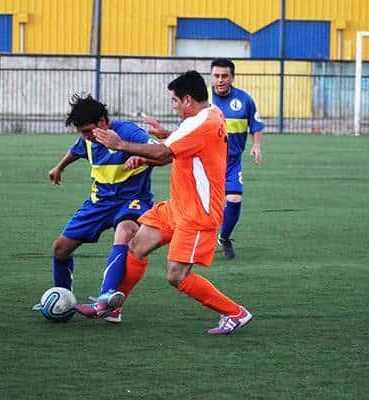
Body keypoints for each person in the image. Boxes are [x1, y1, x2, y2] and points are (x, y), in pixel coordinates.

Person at [87, 70, 252, 335]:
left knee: (176, 276)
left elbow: (164, 152)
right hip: (178, 206)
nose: (173, 105)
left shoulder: (200, 124)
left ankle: (235, 312)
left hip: (198, 212)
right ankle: (114, 308)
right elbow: (171, 153)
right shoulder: (210, 114)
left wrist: (121, 145)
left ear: (187, 100)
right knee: (137, 245)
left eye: (174, 100)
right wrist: (154, 148)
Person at [33, 93, 154, 323]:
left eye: (88, 131)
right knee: (60, 249)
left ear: (102, 122)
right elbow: (76, 150)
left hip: (133, 199)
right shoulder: (88, 139)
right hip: (99, 203)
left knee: (125, 230)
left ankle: (106, 297)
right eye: (82, 132)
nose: (86, 137)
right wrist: (59, 167)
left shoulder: (129, 132)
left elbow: (162, 152)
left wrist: (142, 158)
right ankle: (62, 297)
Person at [144, 58, 265, 259]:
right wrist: (166, 134)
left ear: (232, 77)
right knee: (204, 205)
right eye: (216, 75)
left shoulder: (244, 99)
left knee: (234, 199)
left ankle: (224, 237)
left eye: (225, 76)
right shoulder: (203, 100)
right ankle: (194, 236)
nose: (220, 80)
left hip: (231, 161)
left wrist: (256, 145)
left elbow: (257, 124)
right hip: (206, 163)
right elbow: (188, 134)